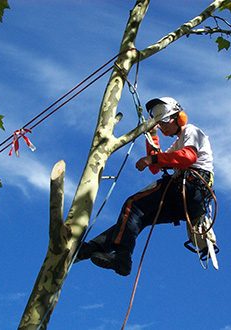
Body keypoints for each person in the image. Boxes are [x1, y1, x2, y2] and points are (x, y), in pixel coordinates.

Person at [76, 96, 215, 276]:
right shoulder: (178, 142)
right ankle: (94, 247)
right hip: (189, 199)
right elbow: (156, 168)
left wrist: (152, 158)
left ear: (178, 118)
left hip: (191, 186)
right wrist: (153, 136)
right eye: (161, 124)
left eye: (165, 122)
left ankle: (122, 255)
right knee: (139, 218)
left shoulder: (191, 131)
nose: (163, 127)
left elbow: (188, 157)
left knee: (133, 205)